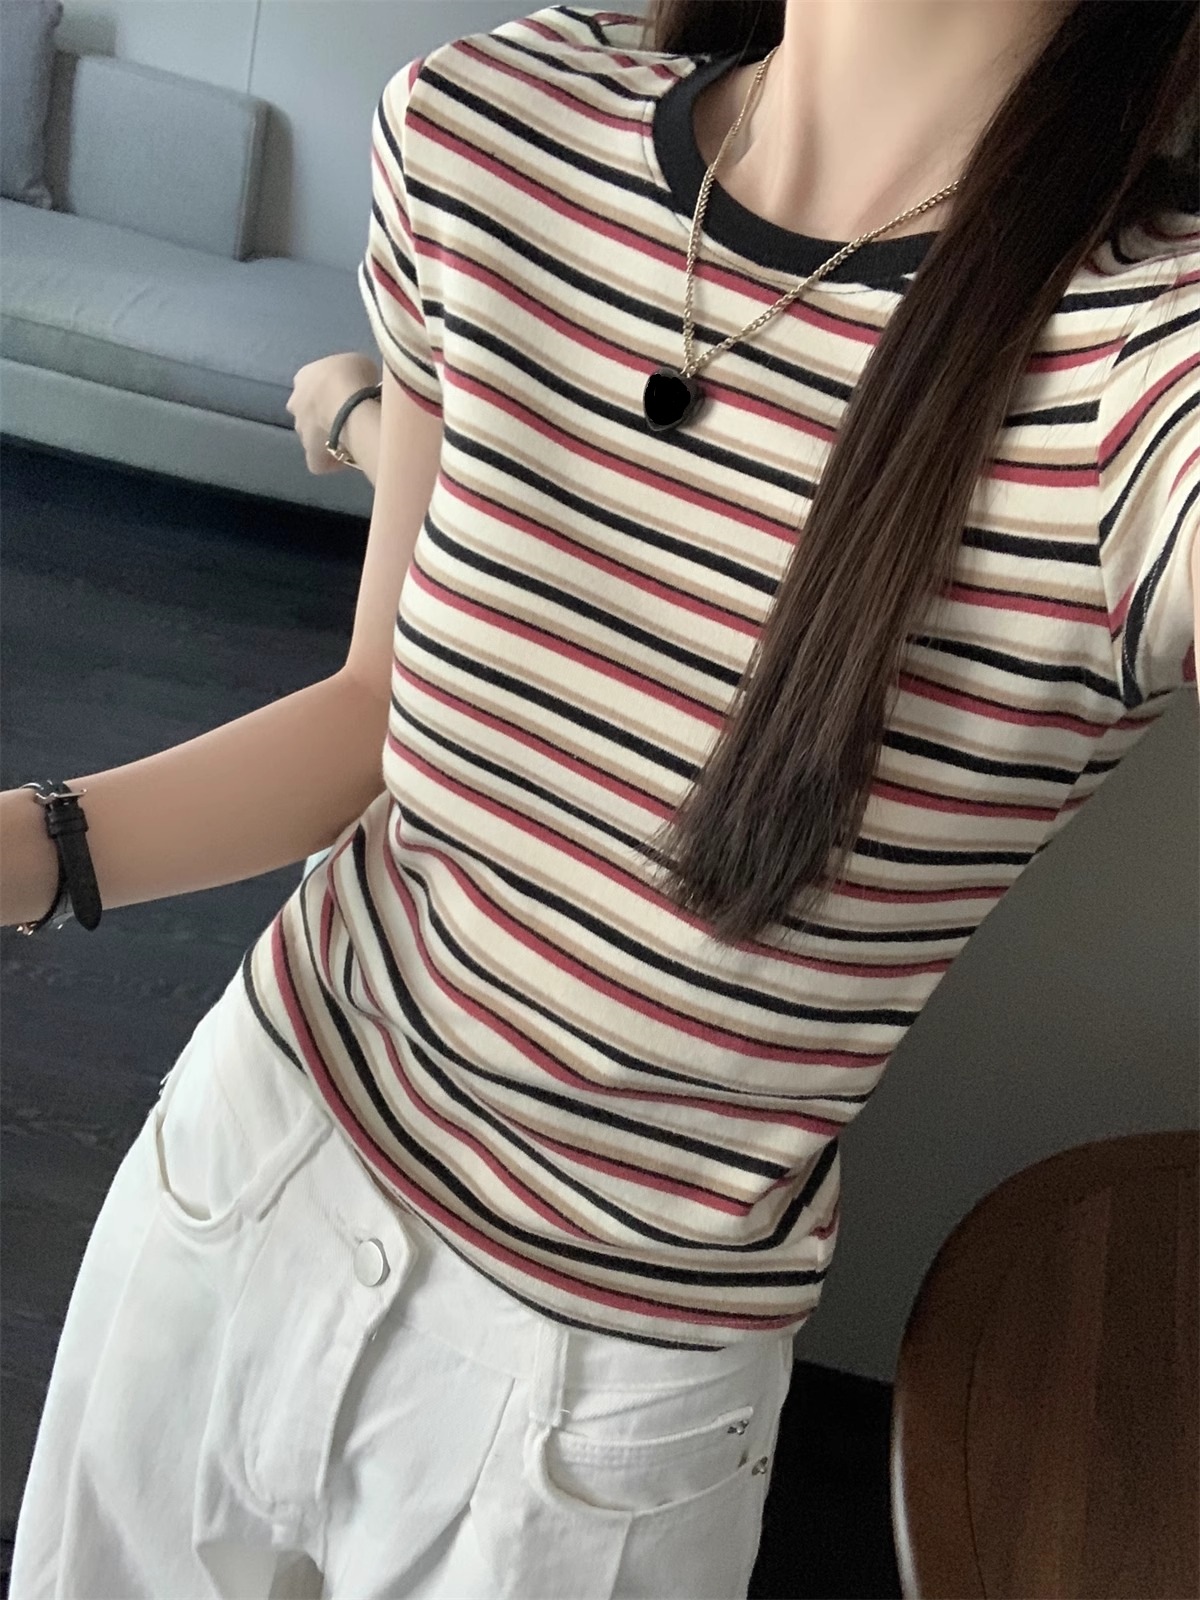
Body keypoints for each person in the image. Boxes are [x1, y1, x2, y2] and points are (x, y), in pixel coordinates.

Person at [4, 1, 1197, 1595]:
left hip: (592, 1415)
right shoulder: (487, 122)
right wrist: (23, 845)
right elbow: (373, 714)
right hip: (249, 1167)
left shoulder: (1144, 378)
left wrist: (354, 409)